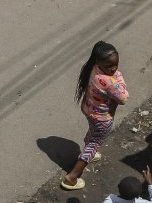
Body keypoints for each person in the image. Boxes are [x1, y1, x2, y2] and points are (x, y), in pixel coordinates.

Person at [62, 41, 129, 191]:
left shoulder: (94, 68)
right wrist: (119, 77)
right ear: (99, 61)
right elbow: (123, 98)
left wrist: (115, 75)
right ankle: (72, 177)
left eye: (116, 65)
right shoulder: (110, 81)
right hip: (102, 117)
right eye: (110, 66)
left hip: (88, 109)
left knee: (93, 133)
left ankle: (89, 147)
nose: (113, 69)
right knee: (95, 143)